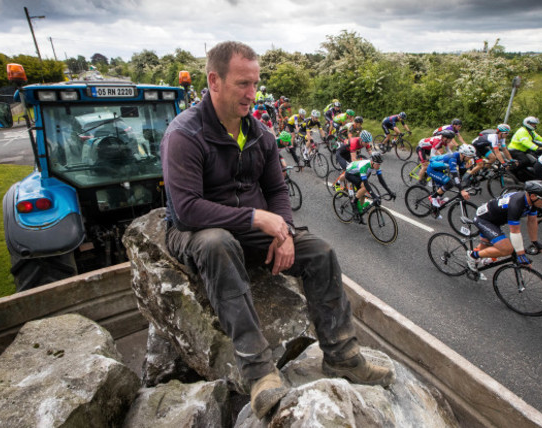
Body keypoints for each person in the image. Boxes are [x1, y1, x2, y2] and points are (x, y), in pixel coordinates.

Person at [160, 41, 394, 419]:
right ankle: (259, 374)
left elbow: (276, 191)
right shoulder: (184, 135)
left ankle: (342, 355)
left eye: (255, 83)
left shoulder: (261, 134)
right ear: (214, 81)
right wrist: (257, 219)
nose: (252, 94)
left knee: (320, 251)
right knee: (218, 243)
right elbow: (186, 210)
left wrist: (282, 230)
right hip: (196, 230)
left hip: (252, 227)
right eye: (242, 84)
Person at [467, 180, 542, 277]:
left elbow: (532, 221)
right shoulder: (517, 204)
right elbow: (515, 232)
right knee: (507, 249)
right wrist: (521, 254)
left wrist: (535, 242)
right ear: (533, 196)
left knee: (485, 248)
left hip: (495, 220)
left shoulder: (531, 201)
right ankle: (472, 256)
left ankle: (477, 257)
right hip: (484, 220)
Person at [426, 144, 477, 213]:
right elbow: (455, 176)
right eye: (469, 157)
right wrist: (462, 190)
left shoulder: (461, 159)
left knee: (449, 184)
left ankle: (436, 204)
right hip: (432, 169)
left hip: (440, 170)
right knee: (450, 183)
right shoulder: (453, 159)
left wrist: (466, 168)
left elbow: (461, 173)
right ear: (463, 154)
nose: (470, 158)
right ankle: (433, 197)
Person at [344, 152, 396, 219]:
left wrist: (389, 191)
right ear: (372, 162)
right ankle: (354, 202)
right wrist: (374, 196)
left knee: (363, 191)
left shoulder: (376, 165)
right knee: (365, 187)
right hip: (350, 174)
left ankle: (360, 208)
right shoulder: (364, 166)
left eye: (380, 164)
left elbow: (381, 180)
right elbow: (366, 184)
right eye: (377, 164)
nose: (379, 166)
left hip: (358, 174)